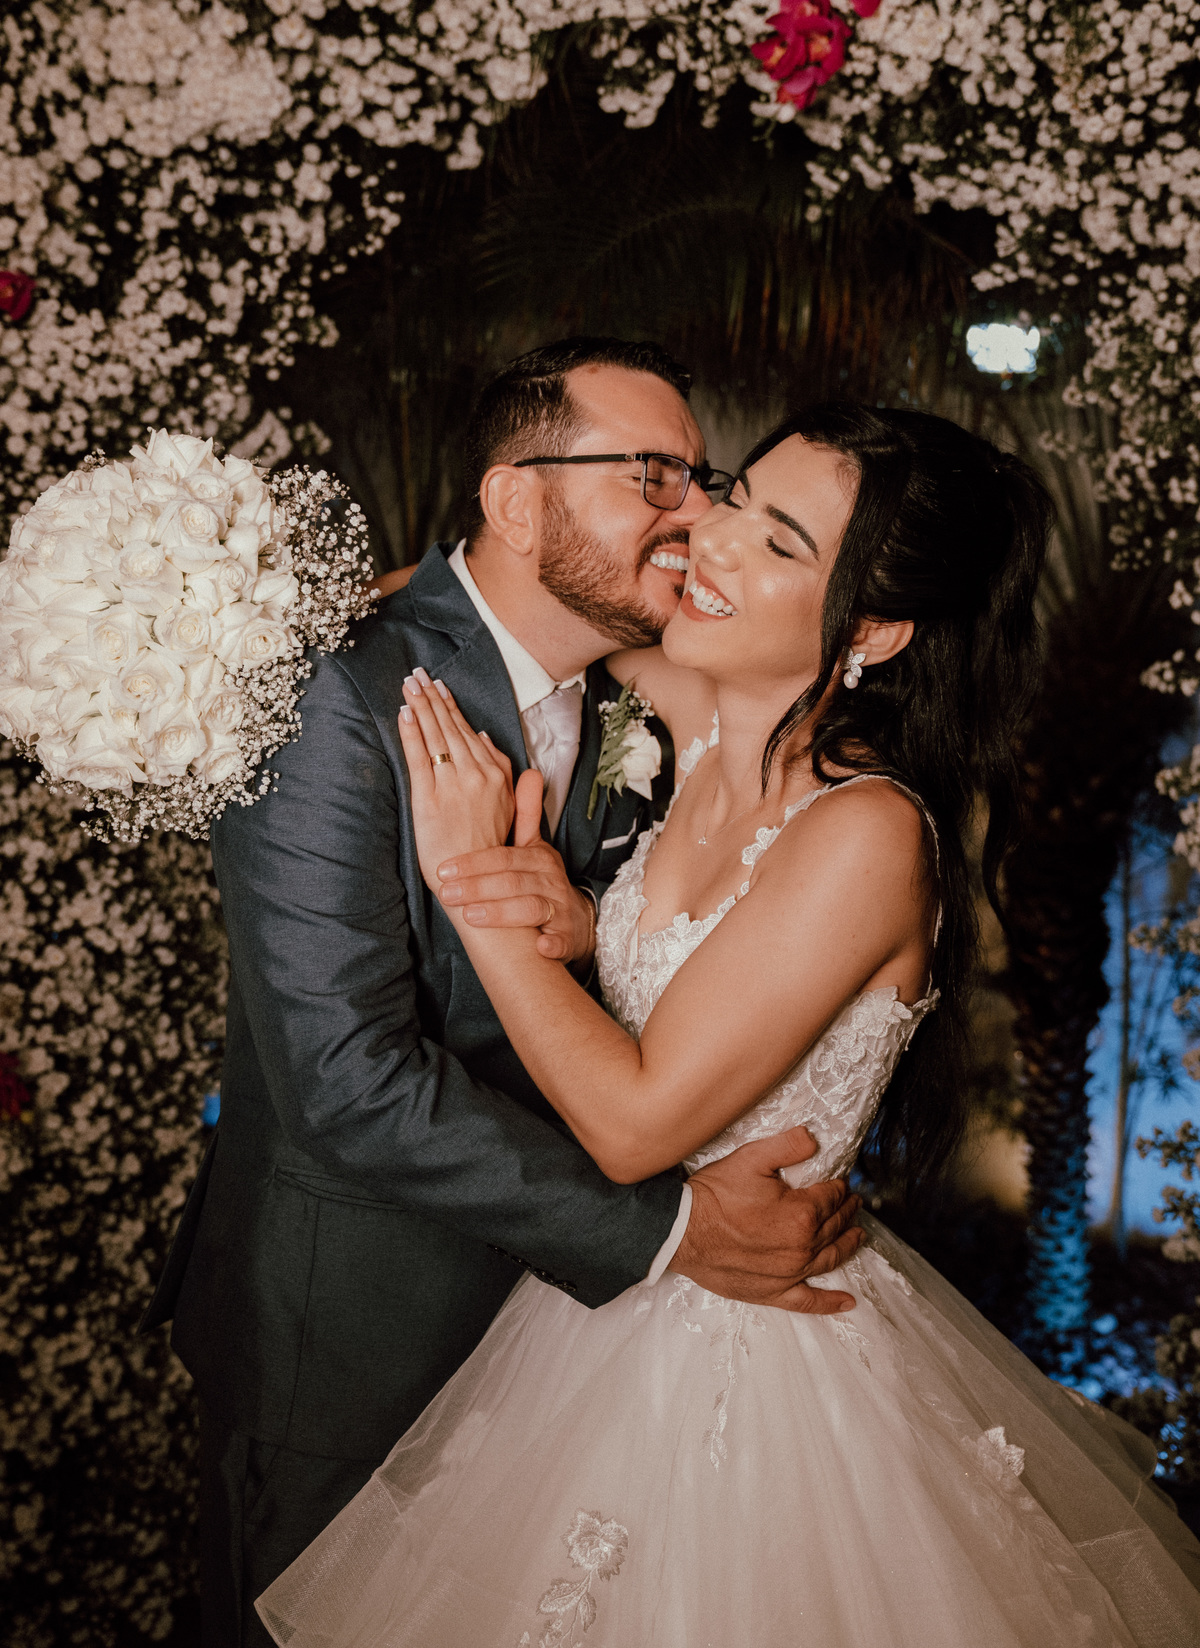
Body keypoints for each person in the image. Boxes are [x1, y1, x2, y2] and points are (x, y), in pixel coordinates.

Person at [257, 404, 1200, 1647]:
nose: (711, 539)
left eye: (780, 543)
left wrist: (473, 884)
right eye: (737, 499)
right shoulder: (689, 718)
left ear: (874, 632)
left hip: (756, 1358)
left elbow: (634, 1123)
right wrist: (243, 607)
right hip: (604, 1305)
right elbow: (486, 610)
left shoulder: (866, 834)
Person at [139, 340, 867, 1647]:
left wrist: (583, 931)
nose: (695, 516)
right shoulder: (331, 693)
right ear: (517, 502)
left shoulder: (649, 700)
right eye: (653, 476)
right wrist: (670, 1231)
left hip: (567, 1365)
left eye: (702, 481)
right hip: (354, 1339)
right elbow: (347, 1084)